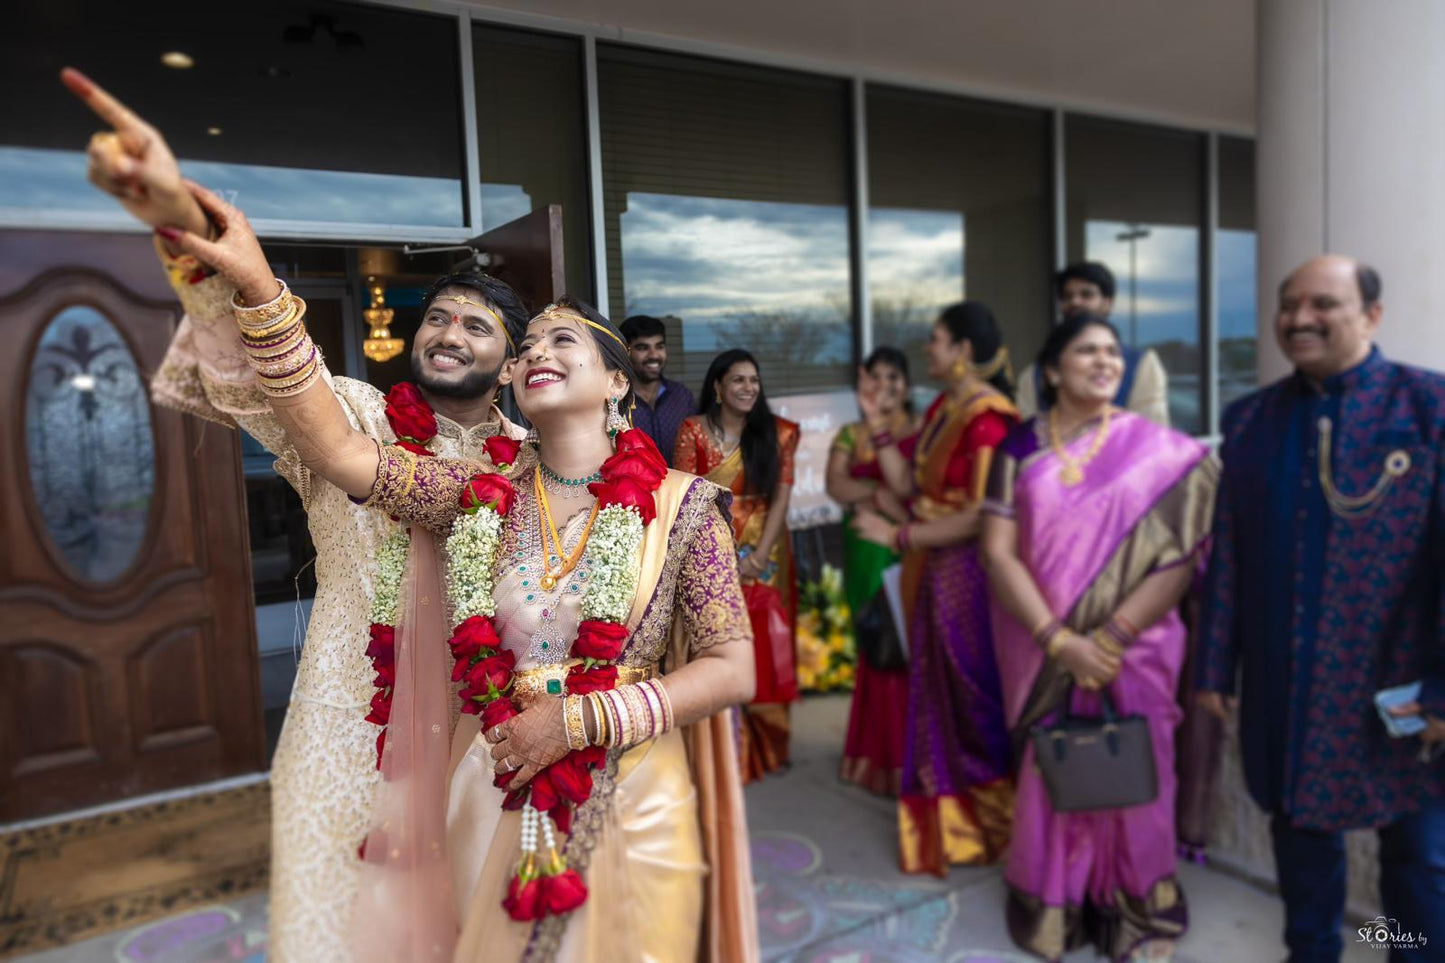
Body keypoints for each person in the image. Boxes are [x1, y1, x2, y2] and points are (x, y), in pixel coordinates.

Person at [129, 146, 762, 959]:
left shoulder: (675, 505)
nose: (535, 352)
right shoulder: (481, 491)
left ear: (615, 383)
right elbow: (340, 450)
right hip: (435, 756)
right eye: (529, 342)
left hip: (624, 791)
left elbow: (732, 666)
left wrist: (578, 719)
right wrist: (255, 284)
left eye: (551, 339)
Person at [64, 69, 531, 963]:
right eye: (438, 317)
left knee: (482, 926)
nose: (449, 334)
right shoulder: (351, 414)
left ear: (510, 365)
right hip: (348, 723)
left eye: (477, 327)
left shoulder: (540, 464)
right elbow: (254, 366)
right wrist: (196, 232)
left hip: (489, 732)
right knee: (338, 926)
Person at [1198, 255, 1445, 963]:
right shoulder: (1248, 422)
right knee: (1304, 856)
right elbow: (1229, 556)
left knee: (1418, 867)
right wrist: (1214, 665)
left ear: (1370, 315)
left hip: (1404, 689)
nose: (1299, 318)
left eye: (1323, 304)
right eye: (1287, 303)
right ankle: (1311, 952)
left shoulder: (1427, 409)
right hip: (1291, 684)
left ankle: (1405, 950)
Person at [981, 313, 1218, 963]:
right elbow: (998, 553)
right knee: (1053, 771)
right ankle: (1057, 905)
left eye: (1112, 351)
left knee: (1139, 774)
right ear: (1052, 370)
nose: (1104, 361)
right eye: (1086, 350)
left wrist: (1108, 639)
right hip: (1043, 650)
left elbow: (1178, 558)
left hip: (1134, 650)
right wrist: (1061, 643)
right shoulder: (1015, 449)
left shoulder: (1161, 451)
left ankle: (1139, 913)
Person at [850, 302, 1018, 875]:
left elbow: (979, 514)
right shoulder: (948, 408)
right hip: (931, 568)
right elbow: (910, 480)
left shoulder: (990, 420)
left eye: (937, 340)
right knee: (936, 694)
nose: (929, 349)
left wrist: (900, 533)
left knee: (969, 696)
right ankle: (950, 825)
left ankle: (992, 822)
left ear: (964, 351)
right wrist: (875, 420)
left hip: (967, 576)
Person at [674, 350, 801, 782]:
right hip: (711, 551)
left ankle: (770, 743)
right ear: (718, 387)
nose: (749, 388)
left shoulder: (778, 434)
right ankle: (727, 752)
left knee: (769, 645)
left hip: (767, 552)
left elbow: (781, 497)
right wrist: (722, 558)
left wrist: (761, 555)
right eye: (738, 381)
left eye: (754, 380)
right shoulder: (693, 431)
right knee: (715, 643)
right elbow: (687, 497)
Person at [827, 346, 917, 796]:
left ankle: (908, 756)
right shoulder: (851, 433)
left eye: (893, 377)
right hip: (865, 547)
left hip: (909, 545)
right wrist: (879, 494)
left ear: (906, 383)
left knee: (910, 644)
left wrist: (889, 502)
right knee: (878, 641)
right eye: (875, 377)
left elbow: (920, 493)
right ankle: (874, 754)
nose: (885, 386)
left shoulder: (920, 430)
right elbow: (834, 484)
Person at [1015, 262, 1171, 426]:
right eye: (1067, 296)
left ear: (1107, 303)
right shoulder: (1035, 374)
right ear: (1053, 372)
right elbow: (1028, 439)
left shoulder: (1142, 365)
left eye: (1086, 295)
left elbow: (1152, 438)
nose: (1075, 302)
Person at [620, 314, 694, 465]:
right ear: (625, 352)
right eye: (642, 348)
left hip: (678, 487)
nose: (654, 355)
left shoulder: (682, 396)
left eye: (659, 346)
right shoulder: (616, 400)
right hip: (634, 487)